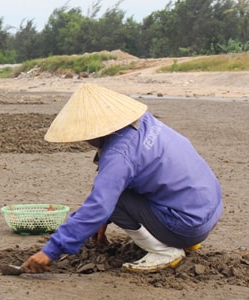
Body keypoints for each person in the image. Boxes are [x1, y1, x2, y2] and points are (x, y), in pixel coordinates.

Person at [22, 83, 223, 273]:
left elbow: (98, 206)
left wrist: (50, 251)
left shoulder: (118, 156)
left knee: (115, 200)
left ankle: (164, 250)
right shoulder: (146, 122)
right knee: (118, 193)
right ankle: (184, 240)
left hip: (188, 224)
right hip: (209, 209)